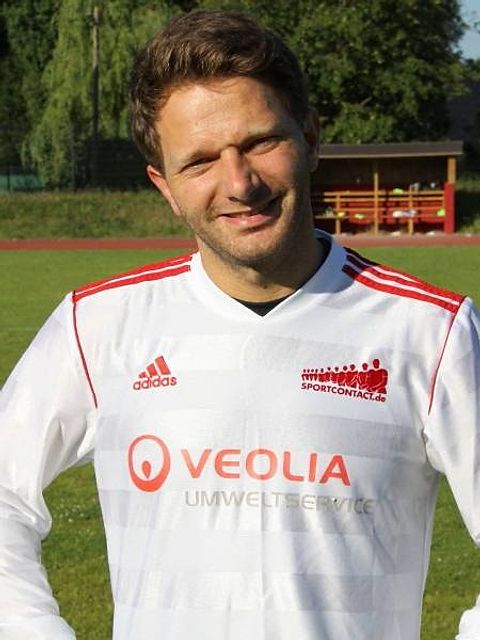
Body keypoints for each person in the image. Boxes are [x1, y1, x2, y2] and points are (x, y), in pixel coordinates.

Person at [0, 9, 479, 640]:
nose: (239, 183)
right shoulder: (97, 326)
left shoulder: (431, 331)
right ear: (165, 186)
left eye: (259, 143)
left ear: (310, 137)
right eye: (199, 161)